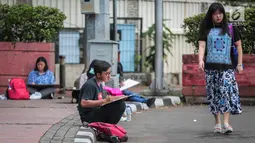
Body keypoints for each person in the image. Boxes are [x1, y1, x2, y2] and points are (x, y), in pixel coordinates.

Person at [198, 2, 243, 134]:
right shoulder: (205, 28)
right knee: (213, 94)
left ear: (223, 14)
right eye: (215, 14)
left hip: (227, 67)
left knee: (226, 92)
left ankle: (226, 123)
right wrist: (200, 60)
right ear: (211, 15)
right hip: (211, 68)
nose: (218, 16)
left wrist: (239, 64)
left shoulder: (231, 28)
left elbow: (239, 46)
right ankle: (217, 123)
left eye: (220, 13)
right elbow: (201, 46)